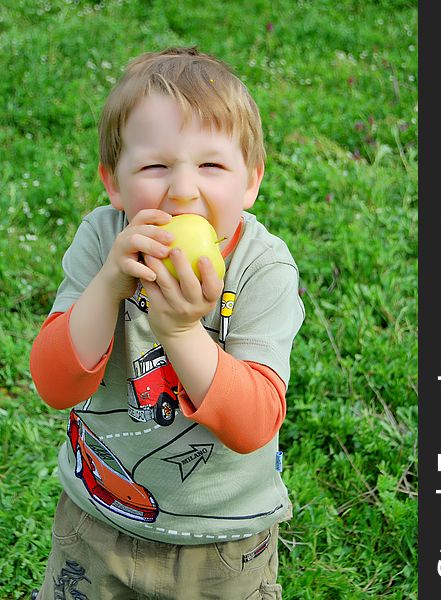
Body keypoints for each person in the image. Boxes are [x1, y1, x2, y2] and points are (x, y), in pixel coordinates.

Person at [30, 46, 304, 600]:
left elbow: (254, 423)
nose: (182, 189)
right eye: (156, 166)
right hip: (96, 522)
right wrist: (108, 285)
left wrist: (179, 333)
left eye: (211, 165)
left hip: (223, 545)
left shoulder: (261, 268)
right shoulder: (104, 241)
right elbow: (54, 384)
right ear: (114, 182)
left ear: (250, 181)